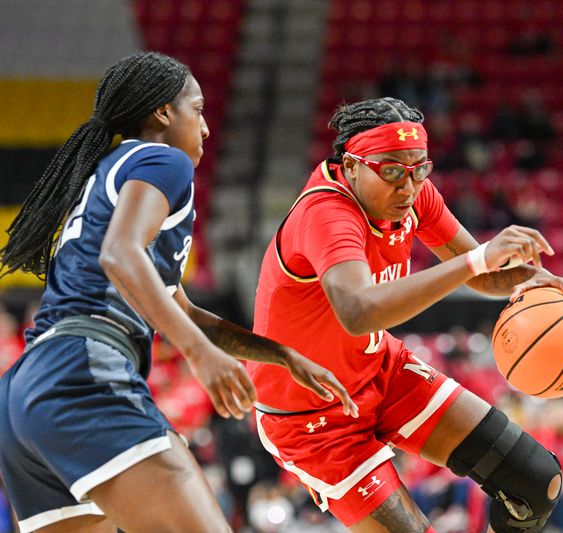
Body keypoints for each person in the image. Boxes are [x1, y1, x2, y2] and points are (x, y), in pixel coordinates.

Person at [0, 52, 357, 533]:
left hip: (27, 391)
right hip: (81, 371)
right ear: (163, 113)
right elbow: (119, 253)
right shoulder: (161, 158)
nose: (207, 128)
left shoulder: (110, 170)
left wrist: (282, 355)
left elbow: (176, 306)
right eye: (199, 109)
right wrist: (198, 354)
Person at [249, 96, 563, 533]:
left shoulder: (411, 194)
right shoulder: (325, 214)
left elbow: (484, 274)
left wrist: (538, 278)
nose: (409, 186)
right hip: (312, 419)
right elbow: (358, 312)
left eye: (420, 169)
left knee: (535, 483)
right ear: (351, 165)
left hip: (380, 372)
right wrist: (477, 261)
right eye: (393, 171)